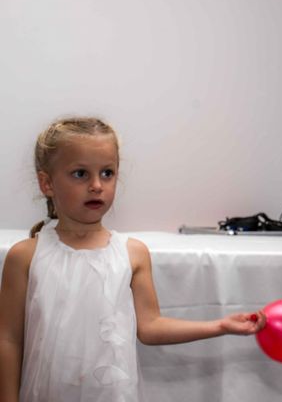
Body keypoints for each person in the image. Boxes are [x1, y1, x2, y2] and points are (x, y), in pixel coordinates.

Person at [0, 117, 266, 402]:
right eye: (80, 174)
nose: (96, 185)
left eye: (107, 173)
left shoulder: (132, 253)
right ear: (47, 183)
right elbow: (9, 341)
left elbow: (150, 327)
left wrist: (220, 325)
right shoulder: (25, 256)